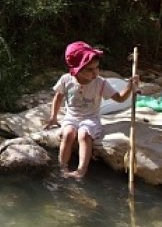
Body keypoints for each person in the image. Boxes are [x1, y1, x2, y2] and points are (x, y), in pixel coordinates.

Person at [44, 41, 138, 179]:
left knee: (83, 135)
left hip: (91, 118)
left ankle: (81, 170)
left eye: (97, 68)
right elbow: (58, 97)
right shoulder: (66, 80)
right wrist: (53, 117)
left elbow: (119, 98)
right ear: (76, 69)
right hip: (71, 117)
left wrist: (130, 87)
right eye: (89, 70)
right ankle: (62, 166)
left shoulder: (100, 83)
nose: (95, 73)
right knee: (68, 134)